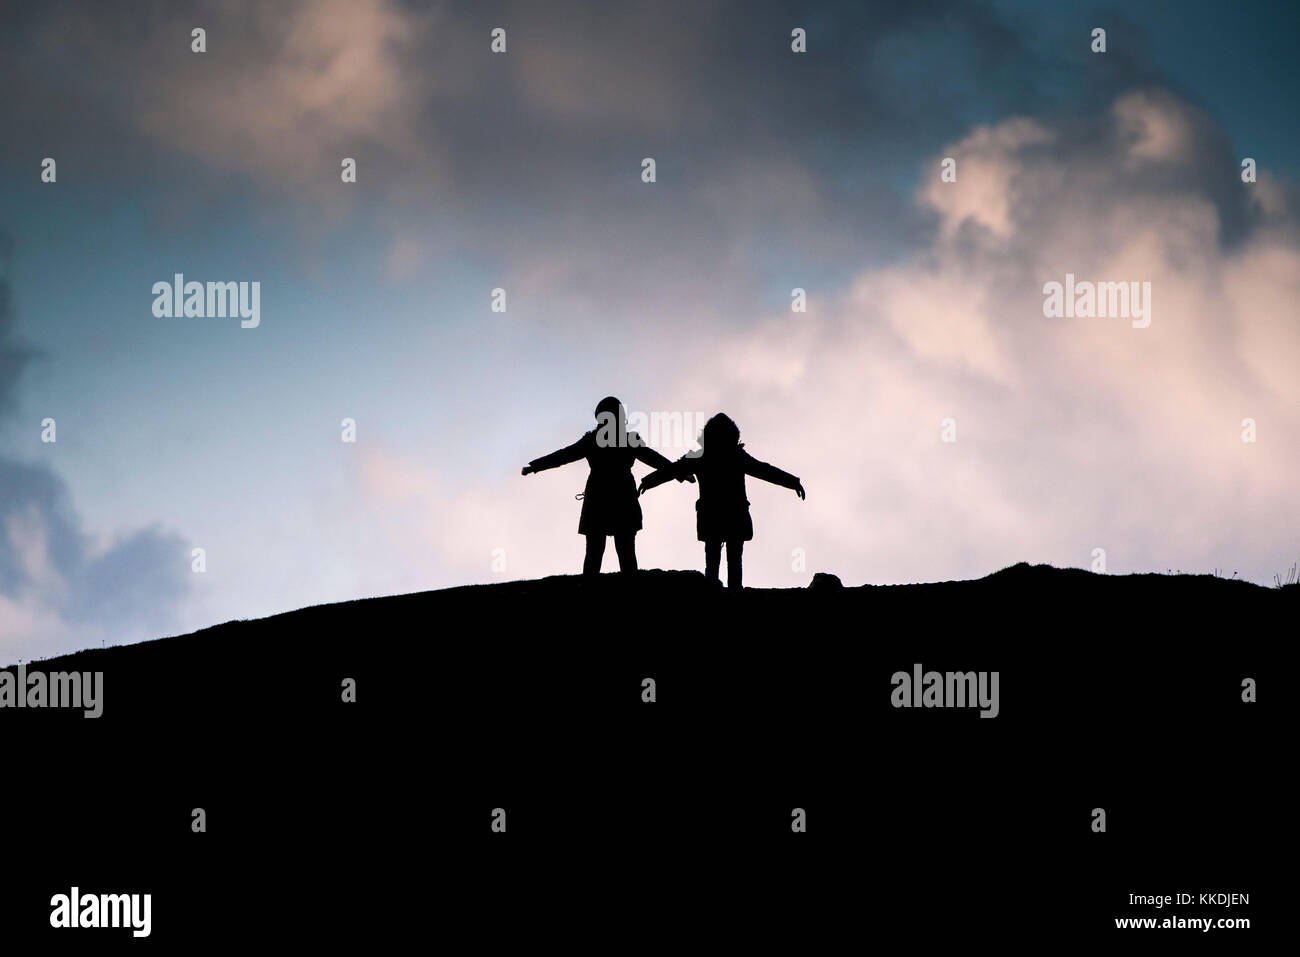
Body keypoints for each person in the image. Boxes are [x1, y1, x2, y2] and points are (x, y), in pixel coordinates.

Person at [522, 397, 692, 575]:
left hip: (600, 497)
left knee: (600, 552)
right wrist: (679, 472)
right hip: (620, 497)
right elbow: (653, 458)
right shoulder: (624, 440)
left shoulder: (594, 440)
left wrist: (535, 467)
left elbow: (564, 455)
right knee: (621, 551)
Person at [639, 412, 804, 589]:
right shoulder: (736, 456)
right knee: (733, 561)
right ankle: (733, 593)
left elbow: (672, 470)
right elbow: (764, 470)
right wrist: (793, 482)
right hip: (734, 515)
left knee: (713, 562)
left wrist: (648, 482)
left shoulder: (701, 457)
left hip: (712, 517)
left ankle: (715, 594)